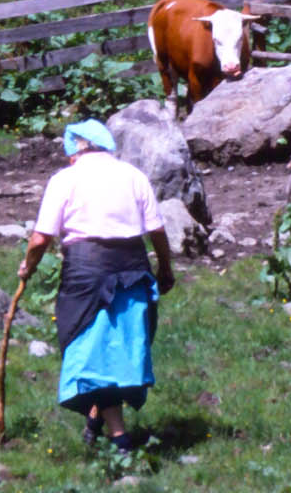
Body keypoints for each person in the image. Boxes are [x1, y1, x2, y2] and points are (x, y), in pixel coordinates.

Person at [17, 119, 175, 451]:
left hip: (86, 274)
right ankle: (96, 419)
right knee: (119, 346)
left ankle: (120, 440)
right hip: (134, 271)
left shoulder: (65, 179)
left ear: (77, 149)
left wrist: (27, 267)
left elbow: (41, 237)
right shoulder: (133, 176)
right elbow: (157, 231)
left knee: (88, 350)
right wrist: (166, 269)